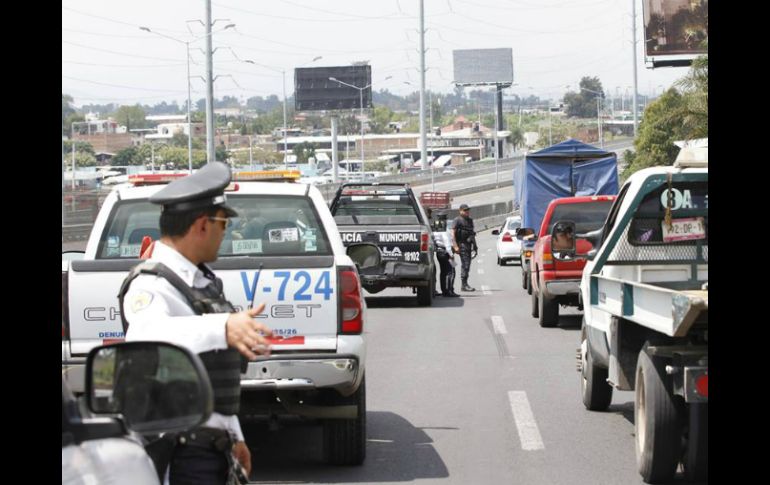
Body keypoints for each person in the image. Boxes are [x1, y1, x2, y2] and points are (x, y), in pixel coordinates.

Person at [118, 161, 274, 485]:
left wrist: (234, 435)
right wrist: (223, 328)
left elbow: (211, 378)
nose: (224, 234)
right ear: (202, 225)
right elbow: (146, 335)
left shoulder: (199, 282)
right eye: (222, 225)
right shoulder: (152, 284)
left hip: (212, 446)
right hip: (179, 450)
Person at [452, 204, 478, 292]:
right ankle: (464, 285)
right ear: (460, 211)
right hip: (461, 244)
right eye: (465, 210)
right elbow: (453, 234)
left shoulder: (470, 220)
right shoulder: (457, 220)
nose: (467, 212)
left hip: (468, 245)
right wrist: (455, 246)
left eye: (467, 210)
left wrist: (475, 246)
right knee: (465, 264)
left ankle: (465, 283)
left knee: (468, 265)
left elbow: (471, 233)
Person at [432, 212, 459, 297]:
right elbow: (447, 242)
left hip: (439, 253)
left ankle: (445, 290)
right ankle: (448, 291)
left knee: (443, 272)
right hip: (446, 253)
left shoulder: (435, 229)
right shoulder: (444, 229)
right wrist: (451, 254)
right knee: (451, 271)